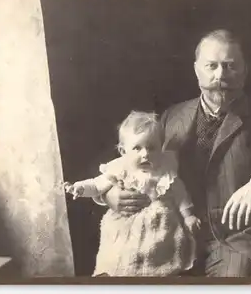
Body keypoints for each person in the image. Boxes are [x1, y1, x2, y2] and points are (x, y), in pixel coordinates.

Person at [96, 29, 251, 277]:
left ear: (245, 71)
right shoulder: (171, 117)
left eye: (230, 66)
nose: (220, 75)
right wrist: (111, 193)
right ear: (197, 69)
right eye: (212, 66)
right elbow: (131, 163)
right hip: (172, 238)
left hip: (237, 241)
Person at [65, 110, 200, 276]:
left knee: (158, 252)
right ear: (123, 152)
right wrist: (80, 188)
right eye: (137, 148)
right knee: (121, 253)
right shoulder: (120, 168)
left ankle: (158, 272)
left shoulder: (164, 170)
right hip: (126, 222)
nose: (145, 154)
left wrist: (188, 216)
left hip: (159, 224)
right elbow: (97, 185)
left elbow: (180, 194)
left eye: (151, 148)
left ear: (161, 148)